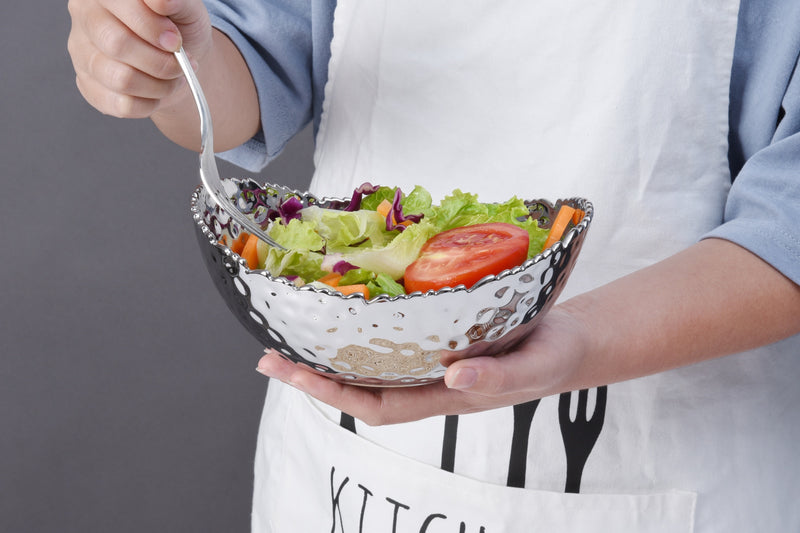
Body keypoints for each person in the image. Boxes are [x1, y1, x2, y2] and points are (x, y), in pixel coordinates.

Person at [68, 0, 800, 531]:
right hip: (348, 480)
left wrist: (576, 339)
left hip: (656, 476)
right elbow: (251, 55)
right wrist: (164, 62)